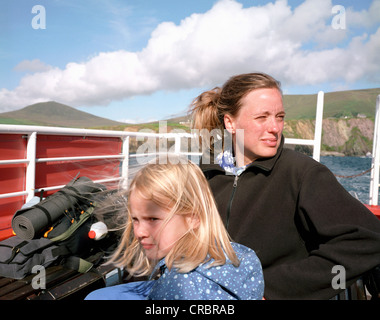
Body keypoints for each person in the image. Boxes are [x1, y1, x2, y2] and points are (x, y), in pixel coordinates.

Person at [189, 72, 380, 300]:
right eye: (262, 117)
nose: (275, 127)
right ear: (230, 122)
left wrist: (271, 290)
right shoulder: (204, 174)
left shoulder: (301, 173)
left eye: (279, 117)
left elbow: (368, 239)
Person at [85, 155, 264, 300]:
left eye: (153, 219)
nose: (138, 232)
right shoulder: (244, 255)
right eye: (135, 220)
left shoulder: (179, 284)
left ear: (194, 218)